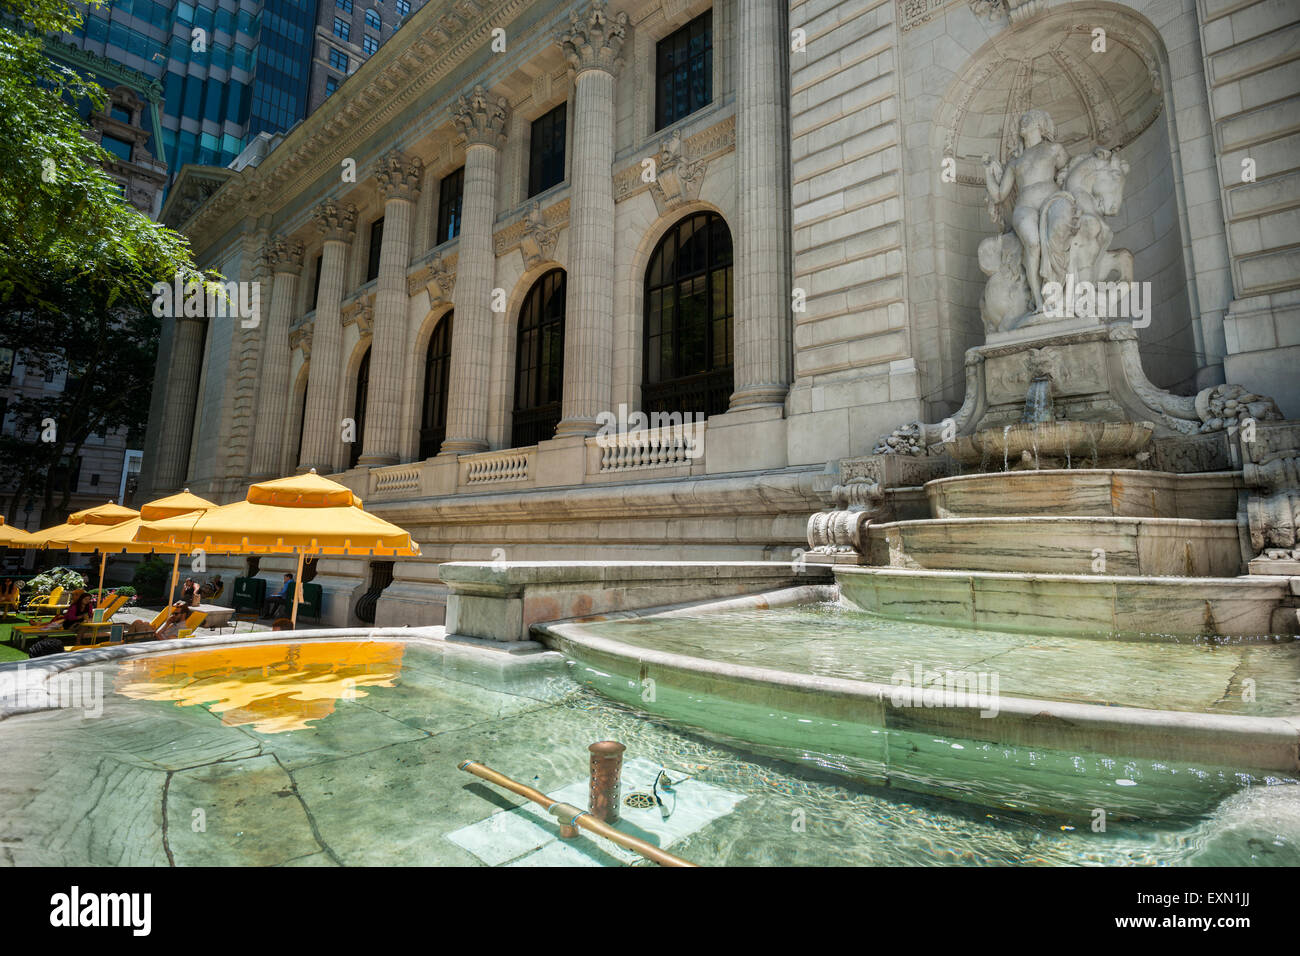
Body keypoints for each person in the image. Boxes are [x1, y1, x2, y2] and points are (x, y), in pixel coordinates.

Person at [981, 109, 1070, 314]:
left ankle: (1059, 293)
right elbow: (998, 195)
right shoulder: (1015, 162)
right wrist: (987, 171)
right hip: (1025, 207)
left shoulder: (1054, 149)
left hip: (1053, 200)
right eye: (1022, 119)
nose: (1024, 121)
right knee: (1033, 243)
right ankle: (1039, 301)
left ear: (1041, 124)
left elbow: (1069, 172)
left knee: (1056, 233)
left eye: (1028, 119)